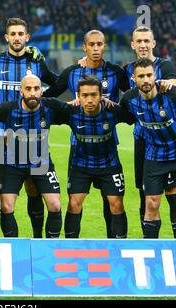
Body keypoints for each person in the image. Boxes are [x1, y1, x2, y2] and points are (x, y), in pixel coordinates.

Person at [0, 18, 57, 238]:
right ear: (7, 37)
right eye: (13, 34)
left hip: (30, 138)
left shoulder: (37, 62)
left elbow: (56, 84)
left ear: (27, 37)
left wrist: (43, 103)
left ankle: (37, 238)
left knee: (33, 189)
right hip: (0, 139)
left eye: (21, 34)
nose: (17, 38)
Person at [43, 30, 129, 238]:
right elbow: (50, 95)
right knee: (75, 201)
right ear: (85, 47)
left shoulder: (116, 72)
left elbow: (132, 95)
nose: (96, 48)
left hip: (108, 142)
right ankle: (72, 245)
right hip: (79, 145)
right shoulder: (72, 72)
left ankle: (115, 243)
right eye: (92, 45)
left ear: (105, 46)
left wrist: (116, 105)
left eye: (100, 44)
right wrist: (68, 106)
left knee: (111, 201)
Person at [119, 58, 176, 238]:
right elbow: (119, 115)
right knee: (151, 204)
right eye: (141, 76)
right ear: (134, 79)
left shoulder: (174, 94)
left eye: (149, 75)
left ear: (155, 75)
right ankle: (151, 251)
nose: (146, 79)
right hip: (154, 157)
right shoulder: (129, 99)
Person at [0, 74, 69, 238]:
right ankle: (14, 247)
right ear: (21, 91)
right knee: (6, 206)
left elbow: (75, 110)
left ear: (42, 91)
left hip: (41, 163)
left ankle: (47, 246)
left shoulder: (51, 106)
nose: (32, 92)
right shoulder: (8, 109)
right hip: (13, 165)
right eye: (28, 89)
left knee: (55, 205)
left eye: (36, 89)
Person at [57, 75, 134, 238]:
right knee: (74, 204)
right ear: (78, 96)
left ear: (101, 96)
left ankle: (120, 246)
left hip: (109, 164)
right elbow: (46, 111)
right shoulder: (70, 112)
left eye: (94, 95)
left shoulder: (113, 111)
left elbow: (133, 117)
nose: (90, 99)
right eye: (85, 95)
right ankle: (70, 246)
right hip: (81, 165)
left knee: (116, 205)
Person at [124, 26, 176, 238]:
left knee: (172, 191)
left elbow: (175, 82)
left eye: (146, 41)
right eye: (138, 41)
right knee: (145, 192)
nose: (142, 45)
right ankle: (148, 240)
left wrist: (166, 83)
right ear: (132, 44)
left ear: (153, 43)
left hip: (166, 141)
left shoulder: (164, 65)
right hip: (143, 139)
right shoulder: (128, 69)